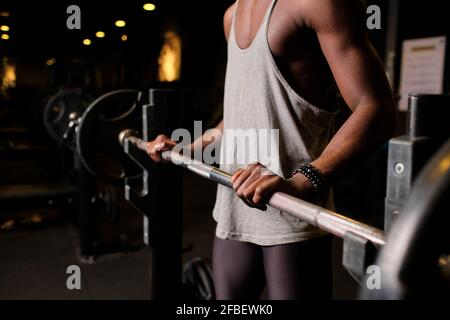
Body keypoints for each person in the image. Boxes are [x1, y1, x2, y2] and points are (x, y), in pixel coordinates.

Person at [146, 0, 396, 300]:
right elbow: (240, 116)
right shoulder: (231, 16)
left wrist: (304, 181)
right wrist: (187, 148)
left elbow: (375, 108)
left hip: (291, 210)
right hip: (234, 206)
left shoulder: (319, 4)